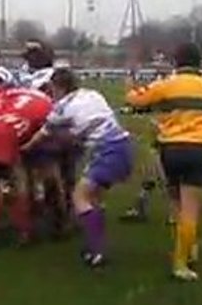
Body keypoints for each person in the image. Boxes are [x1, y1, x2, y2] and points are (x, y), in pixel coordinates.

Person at [125, 42, 202, 282]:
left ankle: (185, 248)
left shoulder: (167, 85)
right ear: (200, 63)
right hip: (198, 150)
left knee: (175, 204)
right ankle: (183, 261)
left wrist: (130, 79)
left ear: (176, 63)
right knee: (191, 209)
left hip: (170, 149)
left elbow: (135, 100)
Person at [23, 68, 132, 267]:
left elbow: (44, 133)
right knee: (93, 198)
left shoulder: (63, 107)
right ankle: (95, 246)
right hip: (123, 146)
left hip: (107, 150)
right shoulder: (93, 94)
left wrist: (26, 147)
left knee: (79, 197)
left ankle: (98, 250)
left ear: (58, 87)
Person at [0, 85, 52, 252]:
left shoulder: (15, 91)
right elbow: (45, 132)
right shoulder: (49, 104)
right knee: (1, 185)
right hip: (9, 135)